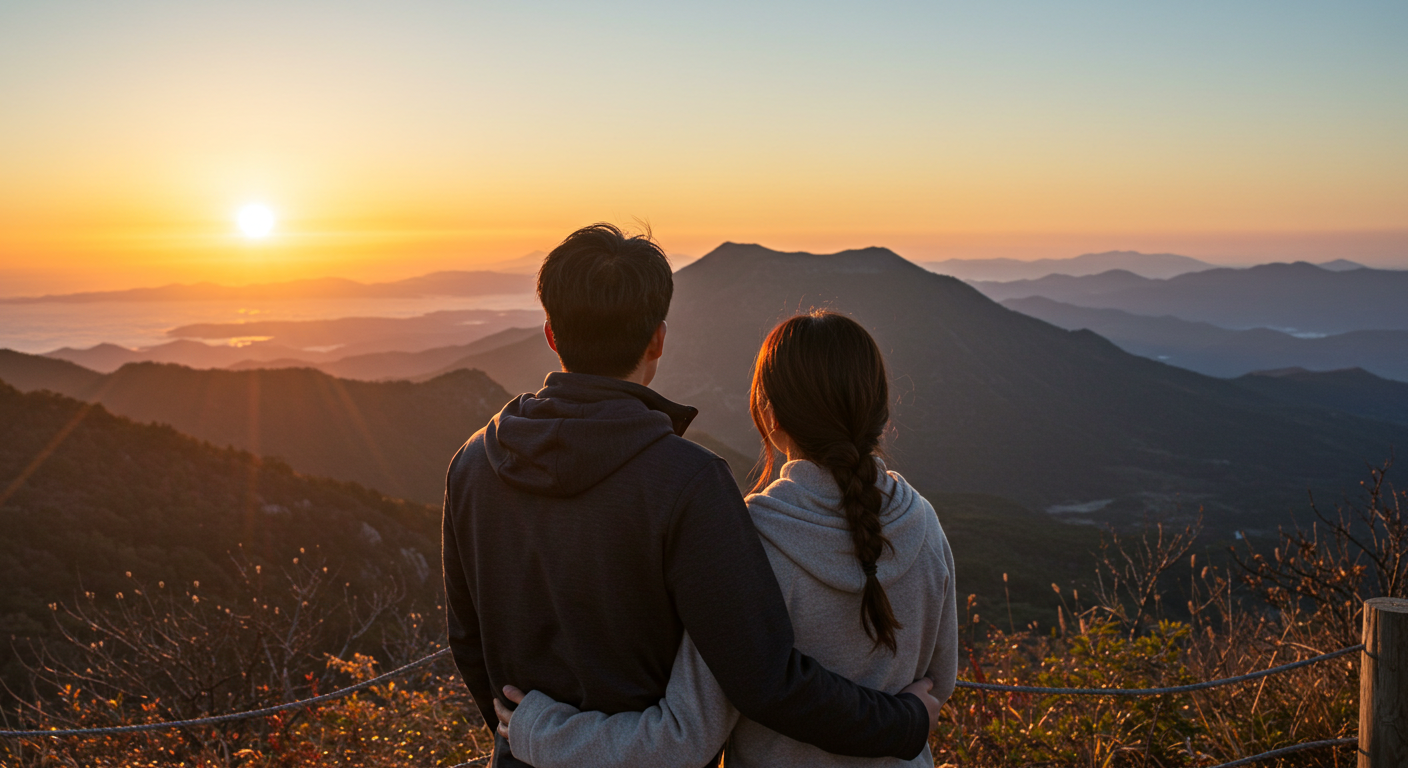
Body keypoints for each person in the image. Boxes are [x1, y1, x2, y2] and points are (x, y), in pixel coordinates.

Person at [442, 225, 942, 768]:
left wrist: (524, 734)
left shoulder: (471, 464)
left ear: (551, 334)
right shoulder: (689, 482)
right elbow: (763, 679)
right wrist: (906, 722)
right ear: (658, 338)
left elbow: (468, 643)